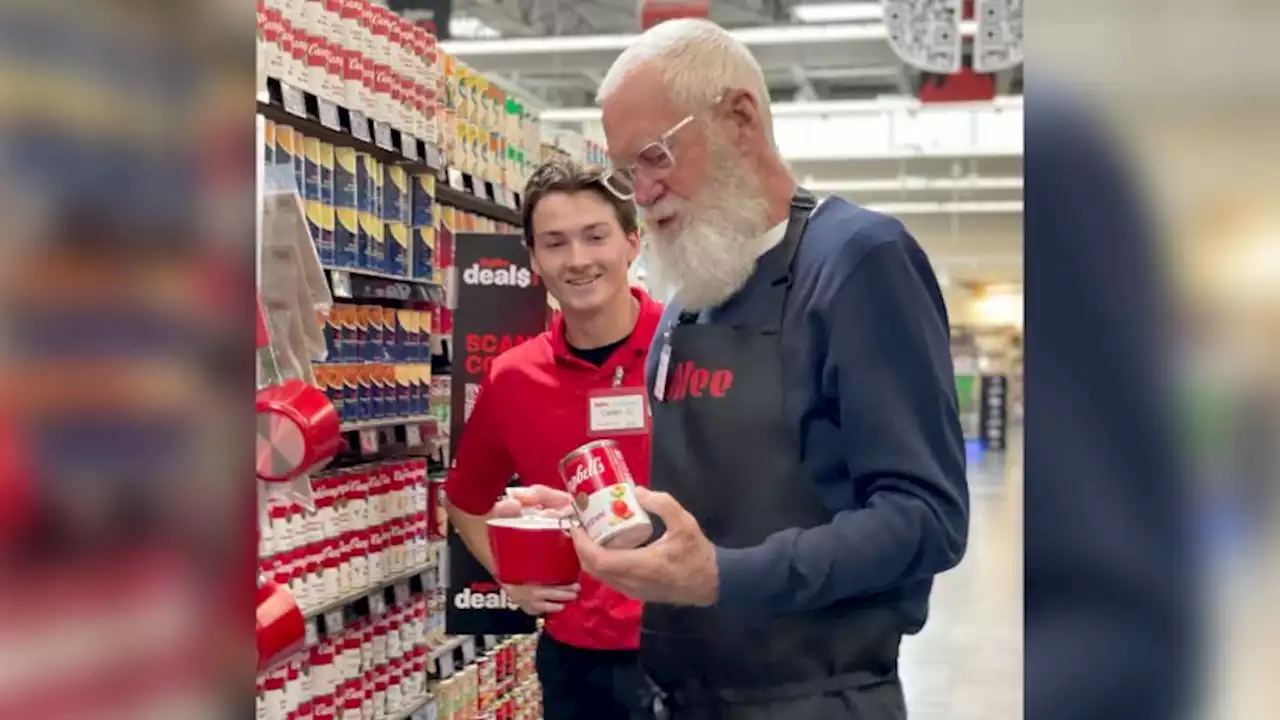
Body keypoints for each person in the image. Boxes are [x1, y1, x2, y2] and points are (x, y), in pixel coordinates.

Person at [504, 19, 970, 720]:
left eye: (657, 157)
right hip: (677, 698)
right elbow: (709, 508)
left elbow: (928, 518)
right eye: (630, 172)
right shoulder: (693, 296)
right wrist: (597, 512)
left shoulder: (856, 263)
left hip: (812, 699)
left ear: (739, 118)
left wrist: (725, 576)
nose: (646, 192)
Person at [444, 159, 664, 719]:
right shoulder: (514, 377)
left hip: (696, 648)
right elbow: (466, 496)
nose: (579, 260)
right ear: (535, 261)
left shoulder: (689, 348)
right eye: (556, 243)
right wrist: (510, 576)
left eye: (596, 237)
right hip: (577, 659)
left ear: (632, 242)